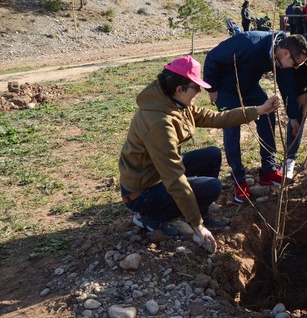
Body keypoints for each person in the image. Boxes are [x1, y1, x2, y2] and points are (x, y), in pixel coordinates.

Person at [118, 56, 280, 252]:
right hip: (141, 191)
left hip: (155, 173)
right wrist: (198, 226)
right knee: (212, 187)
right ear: (180, 89)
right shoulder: (159, 123)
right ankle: (152, 216)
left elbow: (216, 118)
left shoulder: (173, 102)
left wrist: (259, 110)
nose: (199, 92)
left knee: (211, 155)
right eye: (196, 88)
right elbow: (174, 178)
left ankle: (198, 210)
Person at [203, 32, 307, 203]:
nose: (296, 67)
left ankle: (268, 169)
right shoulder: (249, 44)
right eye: (296, 63)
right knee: (232, 130)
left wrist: (292, 117)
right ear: (285, 54)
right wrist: (212, 89)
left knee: (268, 116)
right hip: (226, 89)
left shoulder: (280, 57)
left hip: (250, 87)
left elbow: (288, 86)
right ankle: (239, 179)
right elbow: (212, 57)